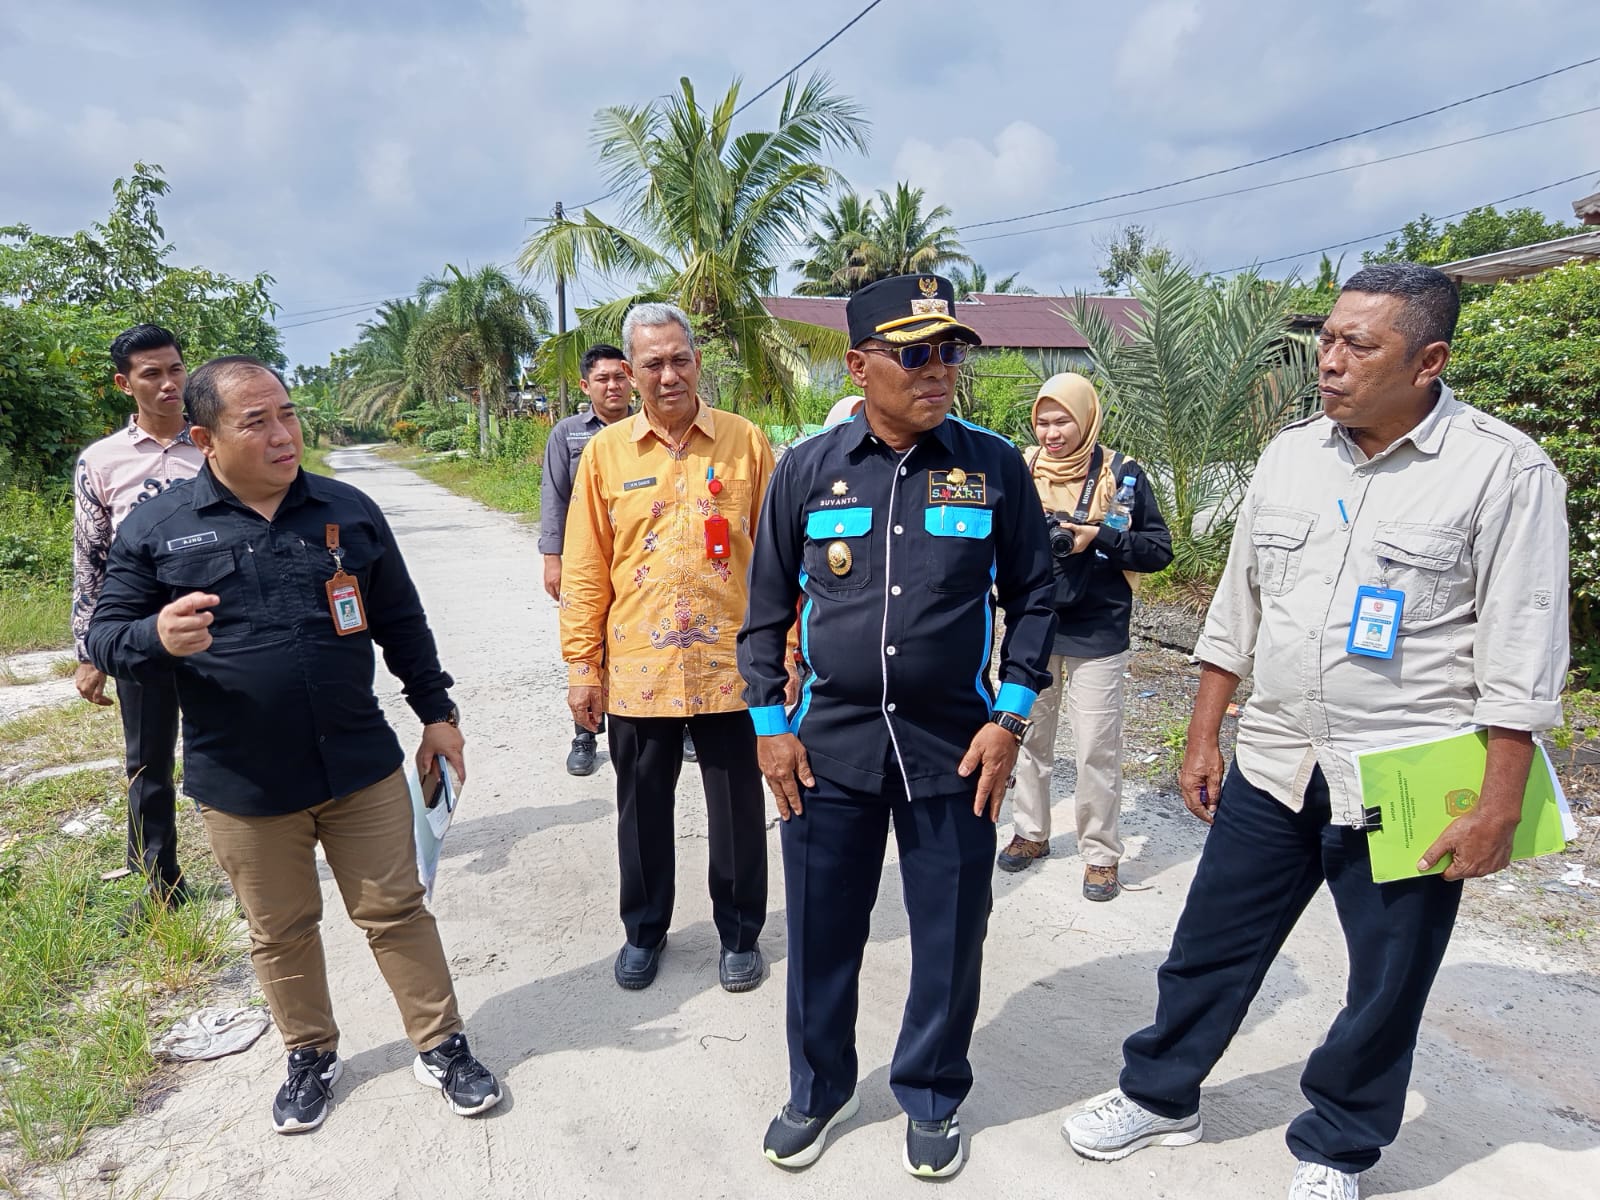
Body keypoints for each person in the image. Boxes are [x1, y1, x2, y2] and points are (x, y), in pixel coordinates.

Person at [1062, 264, 1570, 1200]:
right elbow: (1236, 608)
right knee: (1211, 942)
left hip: (1409, 772)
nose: (1327, 363)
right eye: (1326, 340)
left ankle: (1337, 1144)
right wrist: (1203, 735)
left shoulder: (1504, 470)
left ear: (1430, 361)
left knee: (1387, 979)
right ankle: (1162, 1094)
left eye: (1356, 346)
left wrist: (1501, 802)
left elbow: (1522, 648)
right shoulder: (1292, 456)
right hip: (1277, 757)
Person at [87, 356, 502, 1135]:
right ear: (206, 437)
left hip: (358, 762)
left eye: (287, 414)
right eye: (258, 422)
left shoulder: (347, 511)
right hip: (241, 781)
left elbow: (402, 624)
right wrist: (155, 636)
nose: (283, 435)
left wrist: (436, 714)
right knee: (279, 930)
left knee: (397, 910)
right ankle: (310, 1053)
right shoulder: (157, 528)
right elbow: (103, 637)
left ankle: (441, 1044)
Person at [738, 274, 1057, 1179]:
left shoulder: (993, 467)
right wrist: (770, 722)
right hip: (826, 747)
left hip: (956, 749)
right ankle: (816, 1090)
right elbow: (762, 613)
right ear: (859, 364)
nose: (938, 372)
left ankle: (930, 1091)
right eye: (914, 353)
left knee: (952, 933)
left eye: (950, 351)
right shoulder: (807, 468)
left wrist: (1013, 714)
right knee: (822, 934)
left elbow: (1036, 596)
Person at [560, 303, 774, 995]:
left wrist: (788, 649)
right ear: (630, 371)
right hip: (638, 668)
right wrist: (581, 667)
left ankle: (741, 932)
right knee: (641, 806)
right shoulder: (604, 454)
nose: (669, 373)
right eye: (652, 363)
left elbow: (778, 558)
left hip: (730, 664)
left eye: (680, 358)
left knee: (739, 807)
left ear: (697, 361)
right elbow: (587, 567)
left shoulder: (745, 444)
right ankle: (644, 931)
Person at [997, 374, 1173, 899]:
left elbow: (1158, 551)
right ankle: (1031, 831)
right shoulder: (1020, 467)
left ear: (1087, 419)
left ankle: (1100, 854)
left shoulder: (1122, 475)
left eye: (1063, 421)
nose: (1052, 433)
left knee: (1097, 744)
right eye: (1043, 422)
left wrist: (1100, 536)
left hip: (1098, 627)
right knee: (1028, 734)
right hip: (1034, 622)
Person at [71, 324, 205, 908]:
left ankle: (264, 861)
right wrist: (89, 649)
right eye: (152, 373)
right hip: (139, 631)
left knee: (236, 741)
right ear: (126, 383)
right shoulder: (101, 461)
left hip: (221, 620)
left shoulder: (214, 441)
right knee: (148, 757)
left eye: (175, 369)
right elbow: (90, 557)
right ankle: (158, 881)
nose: (169, 383)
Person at [541, 343, 633, 776]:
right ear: (586, 385)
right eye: (603, 379)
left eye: (619, 376)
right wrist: (552, 558)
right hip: (586, 559)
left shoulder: (649, 427)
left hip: (636, 558)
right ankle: (585, 733)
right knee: (586, 641)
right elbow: (555, 497)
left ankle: (680, 722)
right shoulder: (569, 434)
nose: (613, 386)